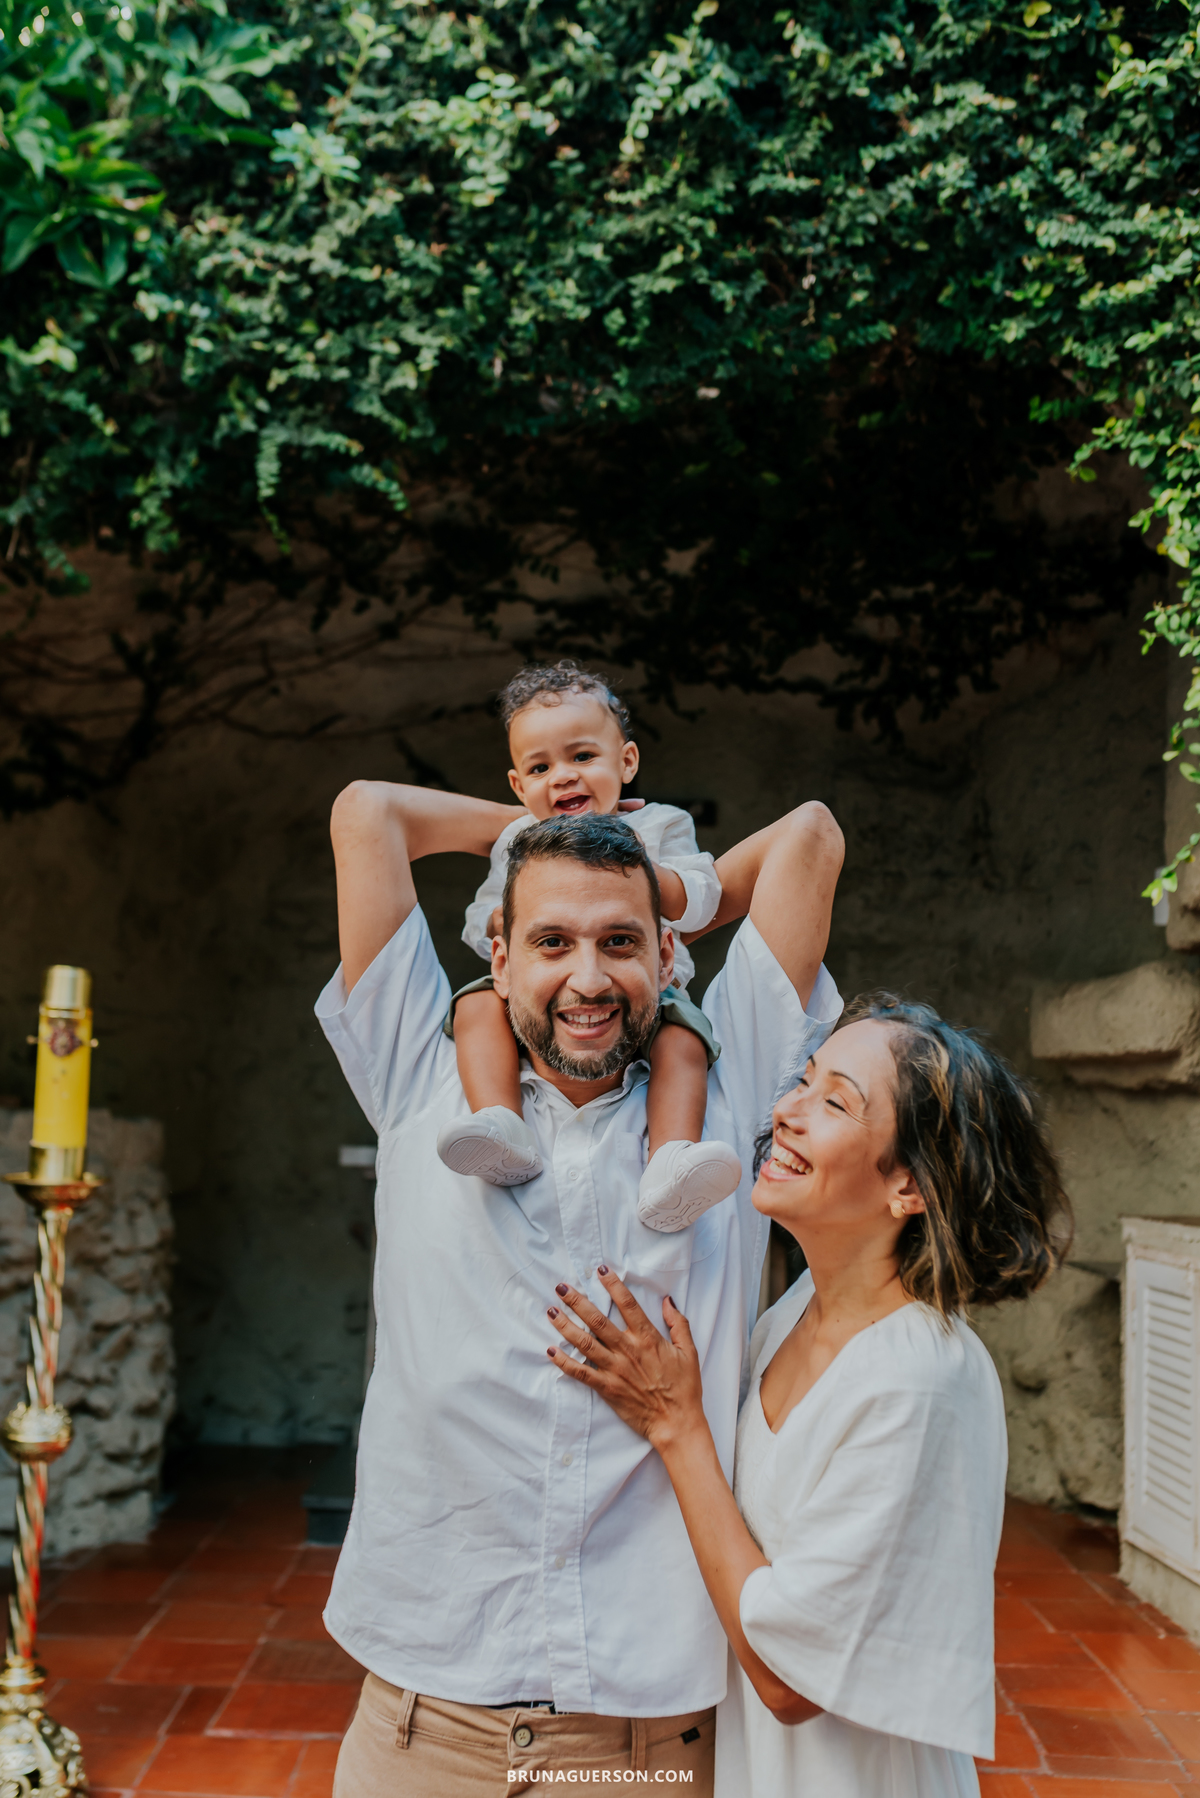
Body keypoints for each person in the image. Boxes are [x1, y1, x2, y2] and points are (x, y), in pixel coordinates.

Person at [317, 777, 844, 1796]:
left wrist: (668, 879)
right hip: (423, 1721)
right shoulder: (418, 1073)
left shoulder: (726, 1096)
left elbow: (812, 837)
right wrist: (531, 832)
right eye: (553, 941)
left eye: (620, 942)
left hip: (644, 1741)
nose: (588, 977)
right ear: (500, 957)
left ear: (665, 956)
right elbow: (365, 814)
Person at [543, 995, 1071, 1798]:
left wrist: (677, 1427)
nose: (786, 1110)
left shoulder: (920, 1382)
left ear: (910, 1188)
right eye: (804, 1080)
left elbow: (791, 1682)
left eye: (834, 1102)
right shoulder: (795, 1311)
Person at [437, 659, 739, 1232]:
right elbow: (482, 922)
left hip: (653, 991)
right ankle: (500, 1123)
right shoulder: (517, 842)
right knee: (473, 1005)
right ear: (518, 786)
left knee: (684, 1043)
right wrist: (515, 915)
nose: (563, 776)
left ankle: (670, 1162)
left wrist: (628, 872)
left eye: (582, 757)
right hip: (537, 992)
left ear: (626, 761)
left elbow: (701, 895)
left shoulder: (657, 827)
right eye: (540, 766)